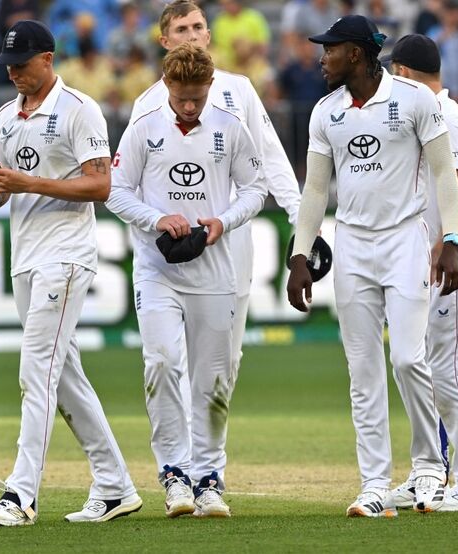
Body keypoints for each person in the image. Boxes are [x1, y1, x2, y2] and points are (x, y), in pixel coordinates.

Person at [0, 19, 141, 527]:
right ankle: (114, 486)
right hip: (26, 255)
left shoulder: (79, 109)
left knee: (35, 370)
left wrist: (28, 182)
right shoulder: (5, 117)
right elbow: (5, 190)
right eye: (8, 66)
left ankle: (21, 496)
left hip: (66, 255)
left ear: (47, 58)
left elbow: (100, 186)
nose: (14, 73)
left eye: (21, 64)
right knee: (64, 378)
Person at [286, 15, 458, 518]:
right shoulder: (326, 112)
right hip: (353, 247)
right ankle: (373, 483)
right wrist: (301, 253)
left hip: (406, 240)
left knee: (408, 359)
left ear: (358, 55)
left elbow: (444, 172)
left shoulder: (415, 101)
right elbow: (316, 188)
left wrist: (450, 238)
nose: (323, 58)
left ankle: (429, 466)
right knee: (362, 371)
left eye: (331, 50)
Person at [129, 0, 301, 480]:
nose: (191, 35)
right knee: (165, 361)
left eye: (198, 27)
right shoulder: (147, 105)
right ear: (165, 42)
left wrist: (301, 220)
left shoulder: (238, 91)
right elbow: (130, 186)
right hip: (167, 258)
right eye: (181, 29)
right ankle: (179, 467)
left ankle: (207, 467)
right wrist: (157, 231)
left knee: (222, 364)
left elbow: (269, 160)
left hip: (229, 249)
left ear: (210, 34)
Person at [107, 42, 268, 518]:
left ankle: (209, 478)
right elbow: (115, 192)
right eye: (182, 97)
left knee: (213, 381)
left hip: (215, 270)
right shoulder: (145, 126)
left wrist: (224, 221)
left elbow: (256, 188)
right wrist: (158, 219)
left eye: (198, 96)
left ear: (210, 87)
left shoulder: (229, 127)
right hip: (158, 271)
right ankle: (174, 474)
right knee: (161, 363)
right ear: (167, 87)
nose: (190, 106)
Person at [385, 33, 458, 512]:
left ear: (406, 74)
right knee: (423, 369)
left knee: (450, 373)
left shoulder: (450, 118)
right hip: (432, 257)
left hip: (456, 256)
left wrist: (442, 246)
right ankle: (427, 472)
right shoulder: (426, 117)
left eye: (394, 75)